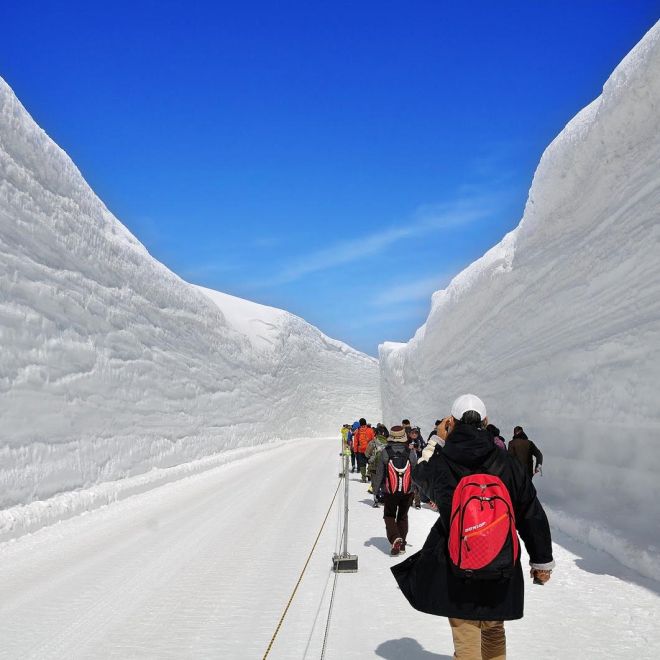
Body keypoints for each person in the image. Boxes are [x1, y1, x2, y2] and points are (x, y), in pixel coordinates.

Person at [392, 394, 554, 660]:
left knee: (465, 630)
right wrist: (541, 561)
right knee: (493, 629)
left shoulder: (442, 462)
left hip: (456, 563)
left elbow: (419, 472)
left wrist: (437, 439)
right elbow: (530, 512)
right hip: (501, 562)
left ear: (451, 422)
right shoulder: (508, 463)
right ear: (485, 421)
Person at [374, 425, 418, 555]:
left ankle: (395, 538)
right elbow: (415, 472)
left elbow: (379, 474)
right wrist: (415, 489)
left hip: (390, 491)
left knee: (389, 515)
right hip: (407, 490)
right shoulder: (411, 452)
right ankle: (402, 544)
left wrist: (376, 490)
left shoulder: (385, 452)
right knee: (403, 516)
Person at [366, 424, 389, 506]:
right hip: (385, 466)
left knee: (375, 482)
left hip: (374, 466)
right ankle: (383, 497)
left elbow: (366, 454)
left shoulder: (373, 442)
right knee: (383, 482)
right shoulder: (388, 443)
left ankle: (376, 499)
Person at [352, 418, 375, 483]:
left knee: (362, 464)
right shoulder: (370, 430)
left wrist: (355, 451)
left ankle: (363, 478)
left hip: (360, 450)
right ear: (365, 423)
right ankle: (369, 473)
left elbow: (355, 442)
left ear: (360, 423)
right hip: (369, 450)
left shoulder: (358, 431)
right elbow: (373, 440)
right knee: (371, 462)